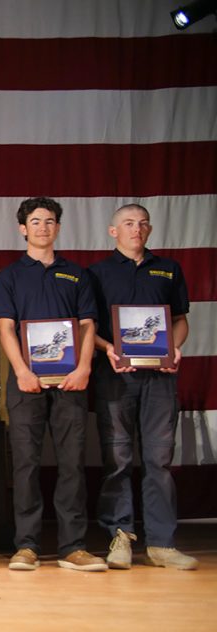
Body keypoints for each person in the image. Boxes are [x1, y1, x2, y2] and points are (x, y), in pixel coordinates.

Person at [0, 199, 105, 572]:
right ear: (23, 228)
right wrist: (21, 370)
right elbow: (5, 327)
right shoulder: (10, 276)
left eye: (49, 221)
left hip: (71, 381)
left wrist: (85, 366)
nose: (42, 227)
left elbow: (87, 325)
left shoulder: (77, 274)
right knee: (25, 464)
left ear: (58, 228)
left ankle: (73, 545)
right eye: (35, 221)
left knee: (72, 463)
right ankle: (26, 545)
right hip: (26, 383)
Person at [89, 205, 198, 570]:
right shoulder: (97, 274)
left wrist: (176, 347)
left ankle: (162, 543)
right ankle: (120, 536)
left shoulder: (168, 269)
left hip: (160, 378)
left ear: (149, 229)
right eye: (128, 224)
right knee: (117, 459)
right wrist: (108, 349)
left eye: (142, 223)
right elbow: (89, 328)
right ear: (112, 231)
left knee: (159, 459)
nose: (136, 229)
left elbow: (179, 320)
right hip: (115, 376)